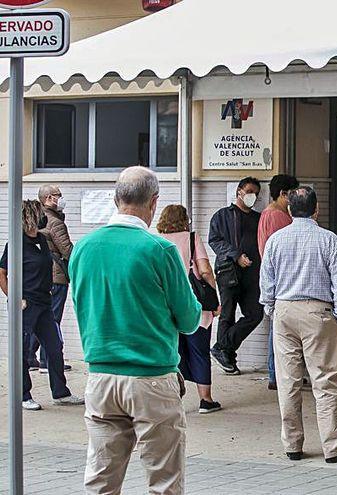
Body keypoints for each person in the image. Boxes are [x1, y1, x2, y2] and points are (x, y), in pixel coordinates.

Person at [69, 167, 201, 493]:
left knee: (101, 480)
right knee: (164, 481)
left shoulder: (83, 249)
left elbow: (83, 306)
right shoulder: (160, 250)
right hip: (152, 378)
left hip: (100, 378)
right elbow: (189, 319)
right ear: (154, 202)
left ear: (116, 199)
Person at [260, 187, 337, 463]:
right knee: (326, 381)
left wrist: (271, 309)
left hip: (284, 310)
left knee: (287, 381)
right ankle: (333, 446)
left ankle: (292, 444)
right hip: (319, 312)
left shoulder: (276, 240)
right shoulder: (329, 240)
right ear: (316, 209)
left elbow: (266, 282)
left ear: (290, 210)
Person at [0, 200, 83, 412]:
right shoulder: (16, 245)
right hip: (26, 305)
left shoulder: (42, 240)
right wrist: (15, 297)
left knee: (54, 348)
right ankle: (23, 395)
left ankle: (60, 392)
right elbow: (2, 273)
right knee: (23, 351)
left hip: (45, 302)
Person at [157, 205, 223, 414]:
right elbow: (204, 270)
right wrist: (214, 298)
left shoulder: (156, 240)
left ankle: (173, 399)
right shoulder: (192, 238)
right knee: (200, 352)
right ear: (184, 219)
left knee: (174, 354)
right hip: (195, 306)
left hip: (165, 307)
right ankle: (206, 400)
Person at [209, 176, 264, 375]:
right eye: (249, 191)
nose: (253, 196)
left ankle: (221, 347)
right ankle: (228, 358)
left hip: (252, 275)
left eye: (256, 194)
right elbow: (214, 241)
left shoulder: (259, 218)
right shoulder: (222, 216)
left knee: (255, 314)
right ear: (239, 191)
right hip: (228, 273)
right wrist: (236, 255)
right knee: (227, 316)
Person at [258, 174, 299, 390]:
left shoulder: (267, 214)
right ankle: (276, 374)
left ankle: (276, 374)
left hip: (275, 280)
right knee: (280, 333)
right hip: (285, 280)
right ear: (283, 193)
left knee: (278, 330)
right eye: (292, 193)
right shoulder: (279, 217)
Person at [35, 184, 74, 374]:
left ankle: (30, 357)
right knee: (52, 319)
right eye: (59, 195)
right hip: (56, 277)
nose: (62, 199)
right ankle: (47, 360)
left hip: (41, 276)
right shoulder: (55, 222)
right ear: (49, 198)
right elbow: (67, 250)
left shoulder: (36, 219)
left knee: (41, 316)